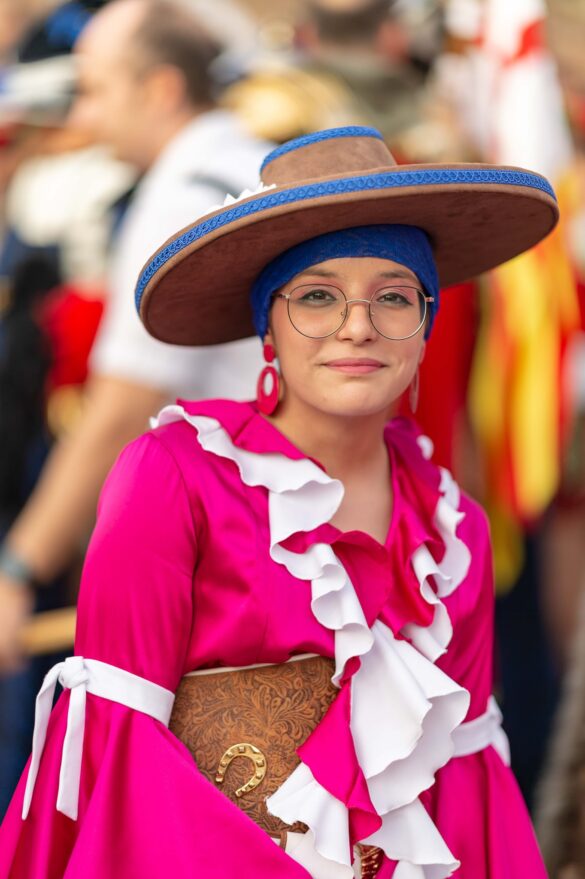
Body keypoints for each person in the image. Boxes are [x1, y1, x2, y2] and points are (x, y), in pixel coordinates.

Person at [0, 126, 555, 877]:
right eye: (317, 297)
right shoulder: (172, 476)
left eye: (394, 297)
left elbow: (468, 791)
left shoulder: (457, 531)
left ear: (426, 325)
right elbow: (121, 757)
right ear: (267, 325)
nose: (357, 327)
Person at [0, 0, 269, 670]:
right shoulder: (249, 162)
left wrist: (18, 569)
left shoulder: (181, 200)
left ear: (161, 90)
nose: (84, 116)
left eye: (97, 90)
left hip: (234, 552)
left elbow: (124, 405)